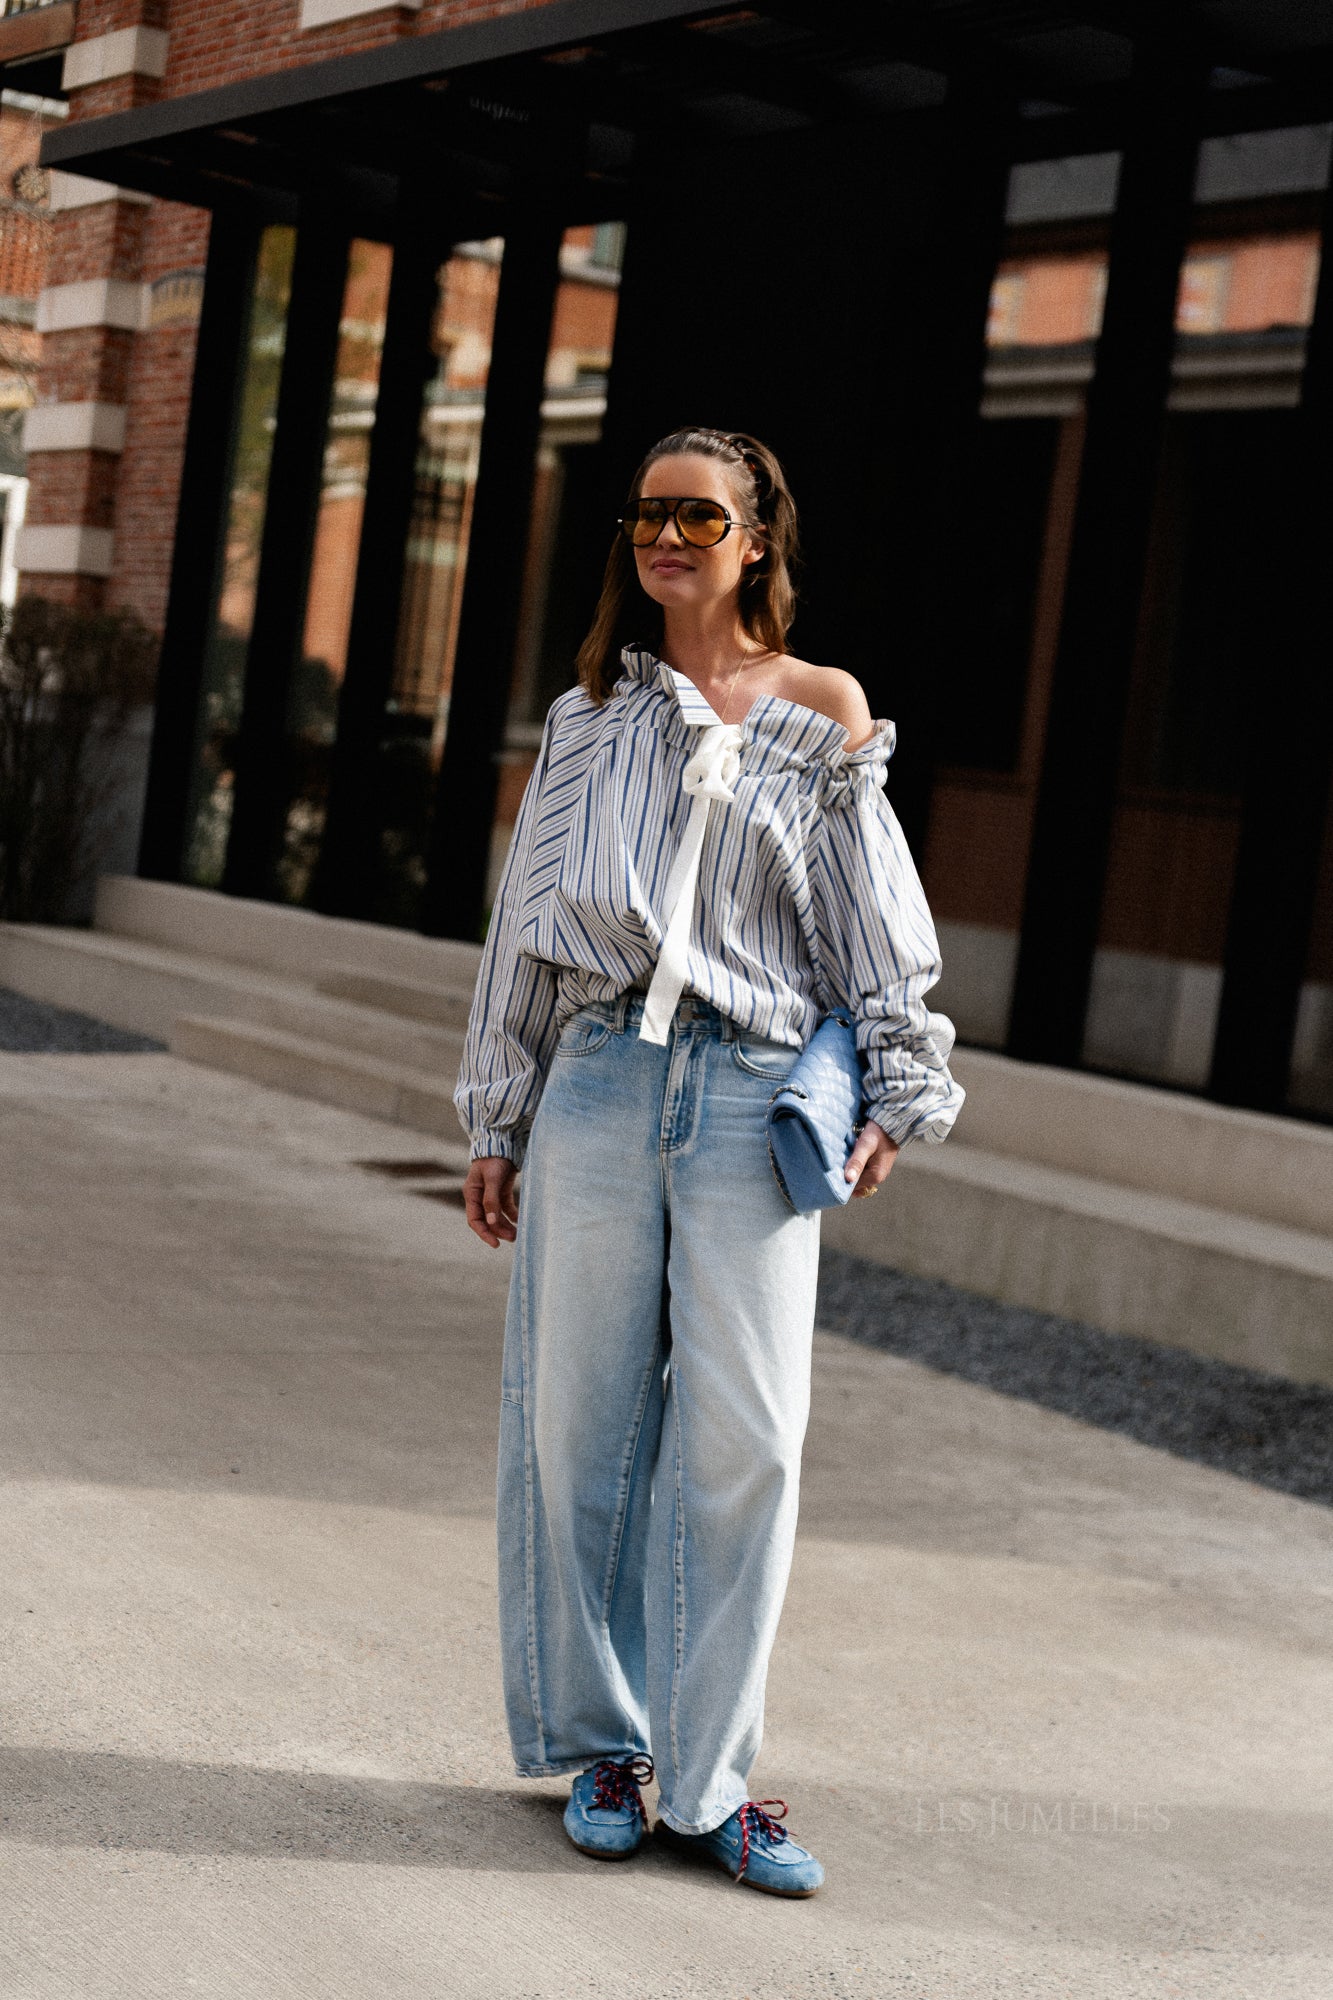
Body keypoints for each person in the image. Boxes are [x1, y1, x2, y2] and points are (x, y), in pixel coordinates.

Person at [455, 426, 964, 1897]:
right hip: (601, 1087)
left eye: (699, 515)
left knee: (747, 1443)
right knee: (575, 1430)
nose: (666, 536)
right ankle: (606, 1748)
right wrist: (499, 1111)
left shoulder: (822, 710)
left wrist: (897, 1080)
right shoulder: (588, 721)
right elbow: (526, 926)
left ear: (755, 541)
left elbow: (872, 924)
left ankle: (714, 1782)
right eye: (646, 516)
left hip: (751, 1101)